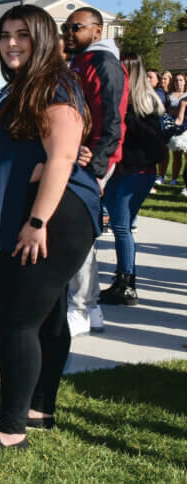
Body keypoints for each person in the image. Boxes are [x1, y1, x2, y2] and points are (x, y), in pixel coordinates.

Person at [0, 5, 99, 449]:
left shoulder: (54, 83)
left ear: (43, 38)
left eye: (23, 34)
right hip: (39, 212)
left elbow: (61, 156)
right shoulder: (19, 86)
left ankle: (10, 430)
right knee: (47, 319)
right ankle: (37, 408)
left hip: (51, 217)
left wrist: (37, 221)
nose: (12, 43)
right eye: (5, 35)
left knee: (16, 320)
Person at [61, 7, 127, 338]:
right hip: (78, 156)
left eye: (76, 27)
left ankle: (82, 307)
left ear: (97, 31)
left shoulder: (104, 63)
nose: (69, 33)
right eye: (65, 28)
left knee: (79, 233)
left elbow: (113, 117)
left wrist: (98, 164)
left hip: (92, 162)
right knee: (80, 234)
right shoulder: (80, 62)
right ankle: (91, 306)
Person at [99, 54, 165, 306]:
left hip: (136, 173)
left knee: (121, 226)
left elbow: (154, 146)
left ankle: (127, 284)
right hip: (123, 171)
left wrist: (128, 120)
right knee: (117, 224)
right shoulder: (125, 102)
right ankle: (122, 279)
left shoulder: (143, 104)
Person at [166, 72, 187, 185]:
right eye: (176, 80)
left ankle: (185, 181)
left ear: (185, 82)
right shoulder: (169, 96)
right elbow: (166, 110)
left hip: (186, 126)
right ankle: (173, 179)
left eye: (181, 80)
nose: (178, 82)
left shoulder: (186, 95)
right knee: (176, 155)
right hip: (174, 126)